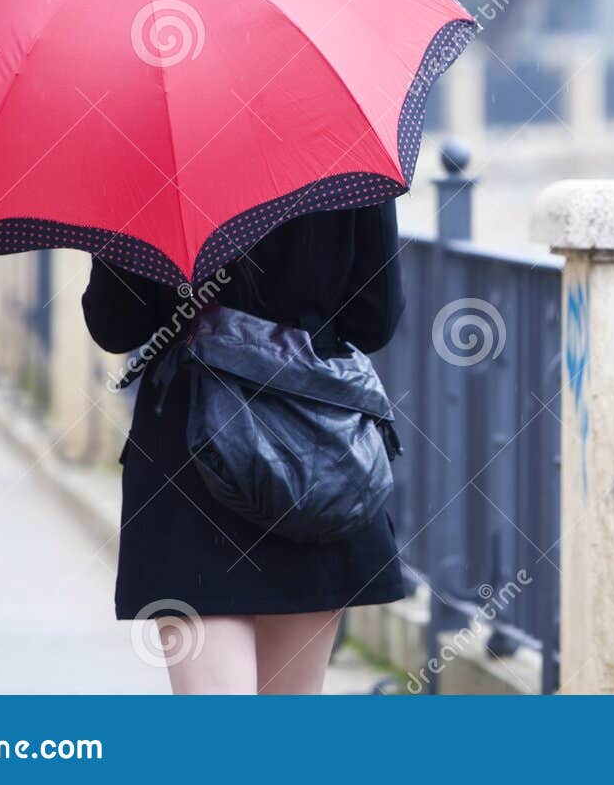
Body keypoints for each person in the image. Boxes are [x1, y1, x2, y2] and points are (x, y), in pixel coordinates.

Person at [81, 202, 406, 694]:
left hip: (189, 464)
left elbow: (117, 325)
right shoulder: (343, 143)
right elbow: (372, 319)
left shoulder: (147, 147)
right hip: (312, 456)